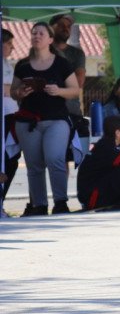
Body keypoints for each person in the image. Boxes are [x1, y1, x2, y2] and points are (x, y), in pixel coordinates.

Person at [10, 22, 82, 215]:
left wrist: (59, 91)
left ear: (50, 39)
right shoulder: (23, 65)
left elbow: (75, 91)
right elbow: (13, 92)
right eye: (33, 33)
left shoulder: (61, 63)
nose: (36, 36)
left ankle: (60, 202)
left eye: (41, 33)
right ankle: (39, 205)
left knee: (55, 159)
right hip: (28, 121)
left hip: (56, 120)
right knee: (33, 165)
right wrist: (21, 92)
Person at [49, 13, 86, 118]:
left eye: (68, 26)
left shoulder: (77, 53)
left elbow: (78, 82)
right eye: (61, 25)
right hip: (46, 113)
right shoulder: (42, 51)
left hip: (72, 113)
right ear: (51, 28)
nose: (66, 28)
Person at [2, 28, 20, 213]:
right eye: (8, 43)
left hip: (11, 117)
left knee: (11, 159)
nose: (12, 48)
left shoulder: (8, 65)